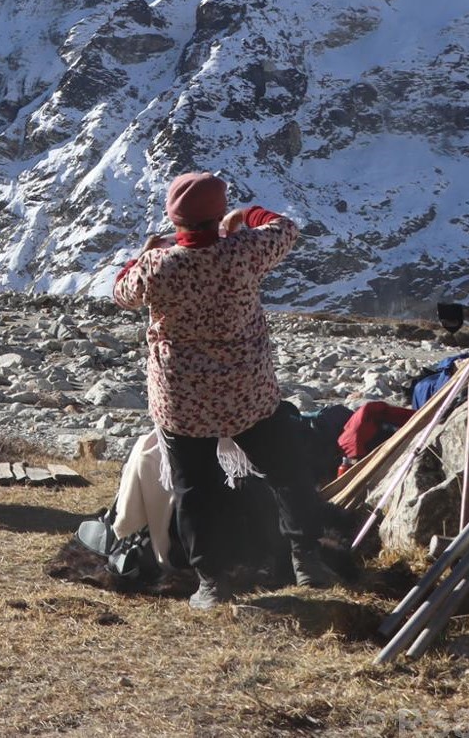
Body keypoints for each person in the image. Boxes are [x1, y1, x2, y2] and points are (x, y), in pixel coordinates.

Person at [112, 171, 336, 609]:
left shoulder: (159, 266)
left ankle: (212, 581)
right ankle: (306, 558)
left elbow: (122, 293)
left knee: (194, 489)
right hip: (247, 394)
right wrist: (244, 216)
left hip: (183, 399)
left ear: (173, 218)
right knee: (287, 474)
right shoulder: (245, 252)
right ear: (217, 215)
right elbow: (286, 227)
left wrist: (141, 256)